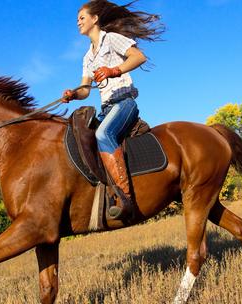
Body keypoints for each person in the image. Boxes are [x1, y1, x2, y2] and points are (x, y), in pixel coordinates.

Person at [61, 0, 164, 220]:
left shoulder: (111, 39)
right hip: (106, 109)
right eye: (77, 19)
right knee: (85, 141)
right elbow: (86, 90)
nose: (77, 22)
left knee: (102, 134)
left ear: (95, 19)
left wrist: (114, 70)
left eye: (82, 18)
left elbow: (138, 57)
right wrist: (73, 94)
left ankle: (125, 198)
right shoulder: (87, 57)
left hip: (124, 103)